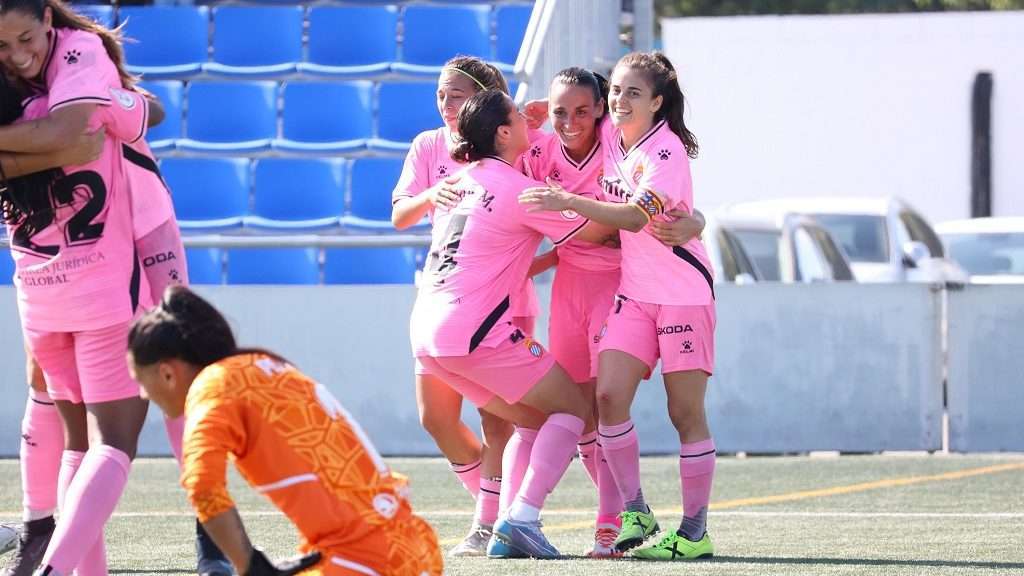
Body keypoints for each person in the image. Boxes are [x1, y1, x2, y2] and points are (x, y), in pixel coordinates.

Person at [0, 1, 225, 574]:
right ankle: (41, 532)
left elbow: (132, 115)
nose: (17, 57)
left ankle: (210, 524)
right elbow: (89, 130)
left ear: (46, 21)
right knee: (81, 418)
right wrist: (120, 110)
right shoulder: (34, 71)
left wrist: (123, 105)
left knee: (177, 369)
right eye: (3, 46)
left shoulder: (79, 50)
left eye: (25, 38)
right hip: (83, 265)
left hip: (133, 228)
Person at [411, 88, 630, 558]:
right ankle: (522, 519)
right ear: (503, 133)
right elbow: (599, 232)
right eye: (517, 115)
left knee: (532, 420)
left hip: (428, 334)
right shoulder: (520, 191)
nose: (529, 121)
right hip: (475, 333)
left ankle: (501, 526)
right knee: (575, 410)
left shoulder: (459, 182)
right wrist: (641, 215)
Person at [519, 51, 718, 561]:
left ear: (657, 102)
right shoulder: (613, 133)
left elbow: (633, 217)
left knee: (684, 413)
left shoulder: (666, 152)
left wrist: (567, 201)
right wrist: (540, 107)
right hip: (634, 294)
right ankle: (636, 510)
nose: (621, 100)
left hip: (683, 295)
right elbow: (578, 108)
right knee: (607, 398)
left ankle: (694, 532)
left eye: (634, 92)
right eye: (617, 91)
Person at [128, 286, 444, 576]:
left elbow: (202, 487)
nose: (143, 394)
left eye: (141, 381)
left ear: (167, 373)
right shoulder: (263, 364)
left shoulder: (212, 389)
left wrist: (248, 566)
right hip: (410, 547)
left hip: (362, 560)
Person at [390, 55, 518, 556]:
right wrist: (431, 194)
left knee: (496, 421)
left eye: (457, 95)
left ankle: (491, 523)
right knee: (436, 418)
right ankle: (501, 511)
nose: (446, 104)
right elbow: (400, 215)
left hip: (498, 297)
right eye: (441, 94)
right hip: (442, 296)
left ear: (482, 99)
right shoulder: (428, 145)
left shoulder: (506, 140)